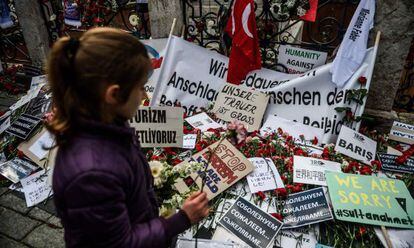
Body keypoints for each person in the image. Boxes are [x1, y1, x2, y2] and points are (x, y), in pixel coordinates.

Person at [46, 27, 209, 247]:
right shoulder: (92, 174)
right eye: (140, 87)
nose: (145, 95)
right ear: (113, 94)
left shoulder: (106, 124)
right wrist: (182, 219)